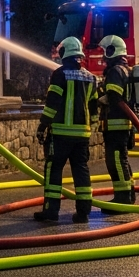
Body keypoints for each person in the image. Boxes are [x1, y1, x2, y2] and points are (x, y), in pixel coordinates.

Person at [34, 36, 101, 223]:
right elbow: (94, 108)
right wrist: (91, 128)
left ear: (65, 53)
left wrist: (43, 125)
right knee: (81, 171)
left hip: (61, 134)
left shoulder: (59, 74)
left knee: (53, 170)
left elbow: (52, 103)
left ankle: (50, 211)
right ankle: (83, 212)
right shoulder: (91, 77)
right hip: (82, 136)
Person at [97, 34, 137, 211]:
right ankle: (129, 194)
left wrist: (99, 98)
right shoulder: (126, 69)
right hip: (124, 124)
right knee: (122, 160)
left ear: (112, 50)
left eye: (105, 52)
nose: (103, 57)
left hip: (116, 124)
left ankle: (122, 198)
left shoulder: (115, 71)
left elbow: (114, 96)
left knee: (116, 161)